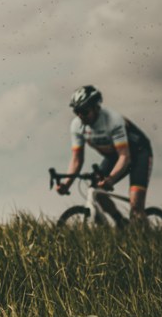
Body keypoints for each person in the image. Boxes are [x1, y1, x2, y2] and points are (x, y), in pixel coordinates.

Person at [55, 85, 154, 225]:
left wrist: (111, 179)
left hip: (139, 154)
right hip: (114, 157)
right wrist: (66, 184)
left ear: (96, 107)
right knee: (96, 190)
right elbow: (77, 160)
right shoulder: (77, 126)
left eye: (84, 111)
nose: (80, 115)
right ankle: (121, 223)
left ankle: (148, 236)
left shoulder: (113, 120)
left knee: (136, 205)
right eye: (77, 111)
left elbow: (125, 157)